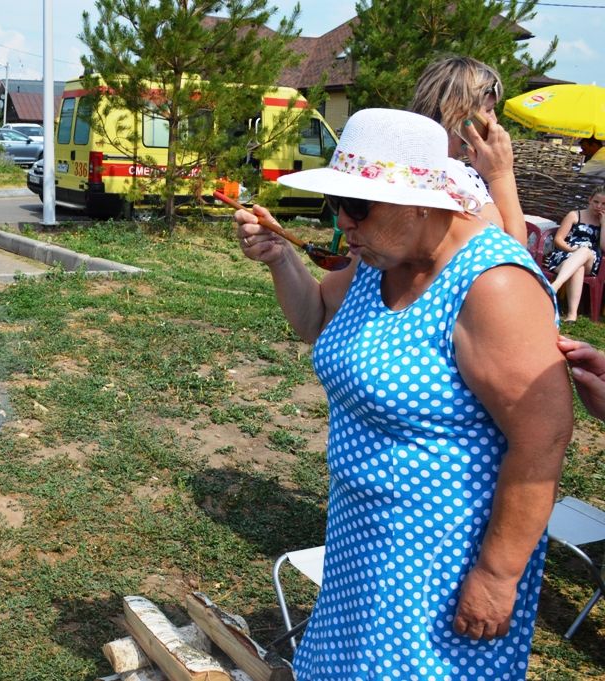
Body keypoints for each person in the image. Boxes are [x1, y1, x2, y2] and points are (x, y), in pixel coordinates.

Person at [235, 108, 571, 679]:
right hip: (361, 533)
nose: (344, 225)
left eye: (358, 208)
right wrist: (281, 259)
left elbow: (542, 439)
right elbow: (317, 319)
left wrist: (497, 574)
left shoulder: (493, 287)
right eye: (337, 206)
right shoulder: (378, 262)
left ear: (421, 200)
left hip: (443, 558)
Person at [409, 56, 527, 243]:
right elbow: (512, 248)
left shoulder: (406, 164)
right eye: (488, 110)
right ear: (459, 113)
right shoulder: (452, 175)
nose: (494, 120)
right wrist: (501, 175)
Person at [542, 186, 605, 321]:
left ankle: (555, 285)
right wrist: (571, 250)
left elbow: (603, 247)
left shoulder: (603, 222)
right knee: (578, 267)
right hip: (565, 255)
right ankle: (572, 315)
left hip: (590, 260)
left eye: (603, 204)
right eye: (596, 202)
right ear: (590, 200)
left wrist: (604, 224)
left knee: (585, 251)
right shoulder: (575, 215)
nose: (598, 206)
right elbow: (559, 239)